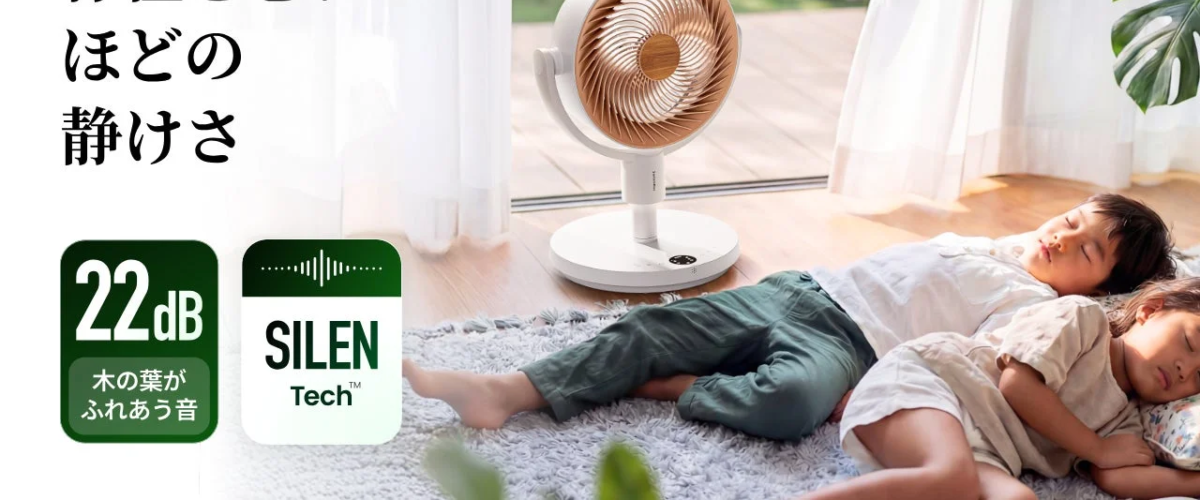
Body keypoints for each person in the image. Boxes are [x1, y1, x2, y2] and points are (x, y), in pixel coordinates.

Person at [403, 193, 1175, 442]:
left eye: (1087, 249)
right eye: (1071, 220)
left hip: (853, 348)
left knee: (790, 404)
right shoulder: (998, 244)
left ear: (1103, 288)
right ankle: (507, 388)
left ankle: (666, 386)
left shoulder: (1038, 309)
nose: (1062, 237)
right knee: (648, 328)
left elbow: (971, 365)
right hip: (801, 290)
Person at [803, 277, 1200, 500]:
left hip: (982, 452)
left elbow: (1115, 476)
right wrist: (1097, 448)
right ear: (1150, 310)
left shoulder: (1127, 417)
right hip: (934, 384)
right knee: (950, 476)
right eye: (1189, 343)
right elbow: (1018, 385)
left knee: (1017, 499)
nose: (1186, 371)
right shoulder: (1083, 320)